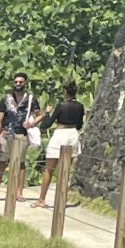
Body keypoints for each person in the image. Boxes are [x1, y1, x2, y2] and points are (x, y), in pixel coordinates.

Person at [37, 80, 86, 208]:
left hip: (60, 134)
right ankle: (61, 199)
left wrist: (47, 113)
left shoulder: (61, 106)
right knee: (65, 171)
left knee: (49, 169)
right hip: (73, 134)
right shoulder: (80, 106)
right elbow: (80, 124)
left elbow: (46, 125)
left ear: (65, 91)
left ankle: (41, 199)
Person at [0, 71, 37, 200]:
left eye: (21, 82)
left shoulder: (30, 99)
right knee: (1, 163)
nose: (18, 84)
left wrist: (32, 123)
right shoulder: (6, 99)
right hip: (6, 133)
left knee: (21, 164)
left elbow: (39, 114)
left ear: (25, 83)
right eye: (16, 82)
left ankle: (19, 192)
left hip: (21, 134)